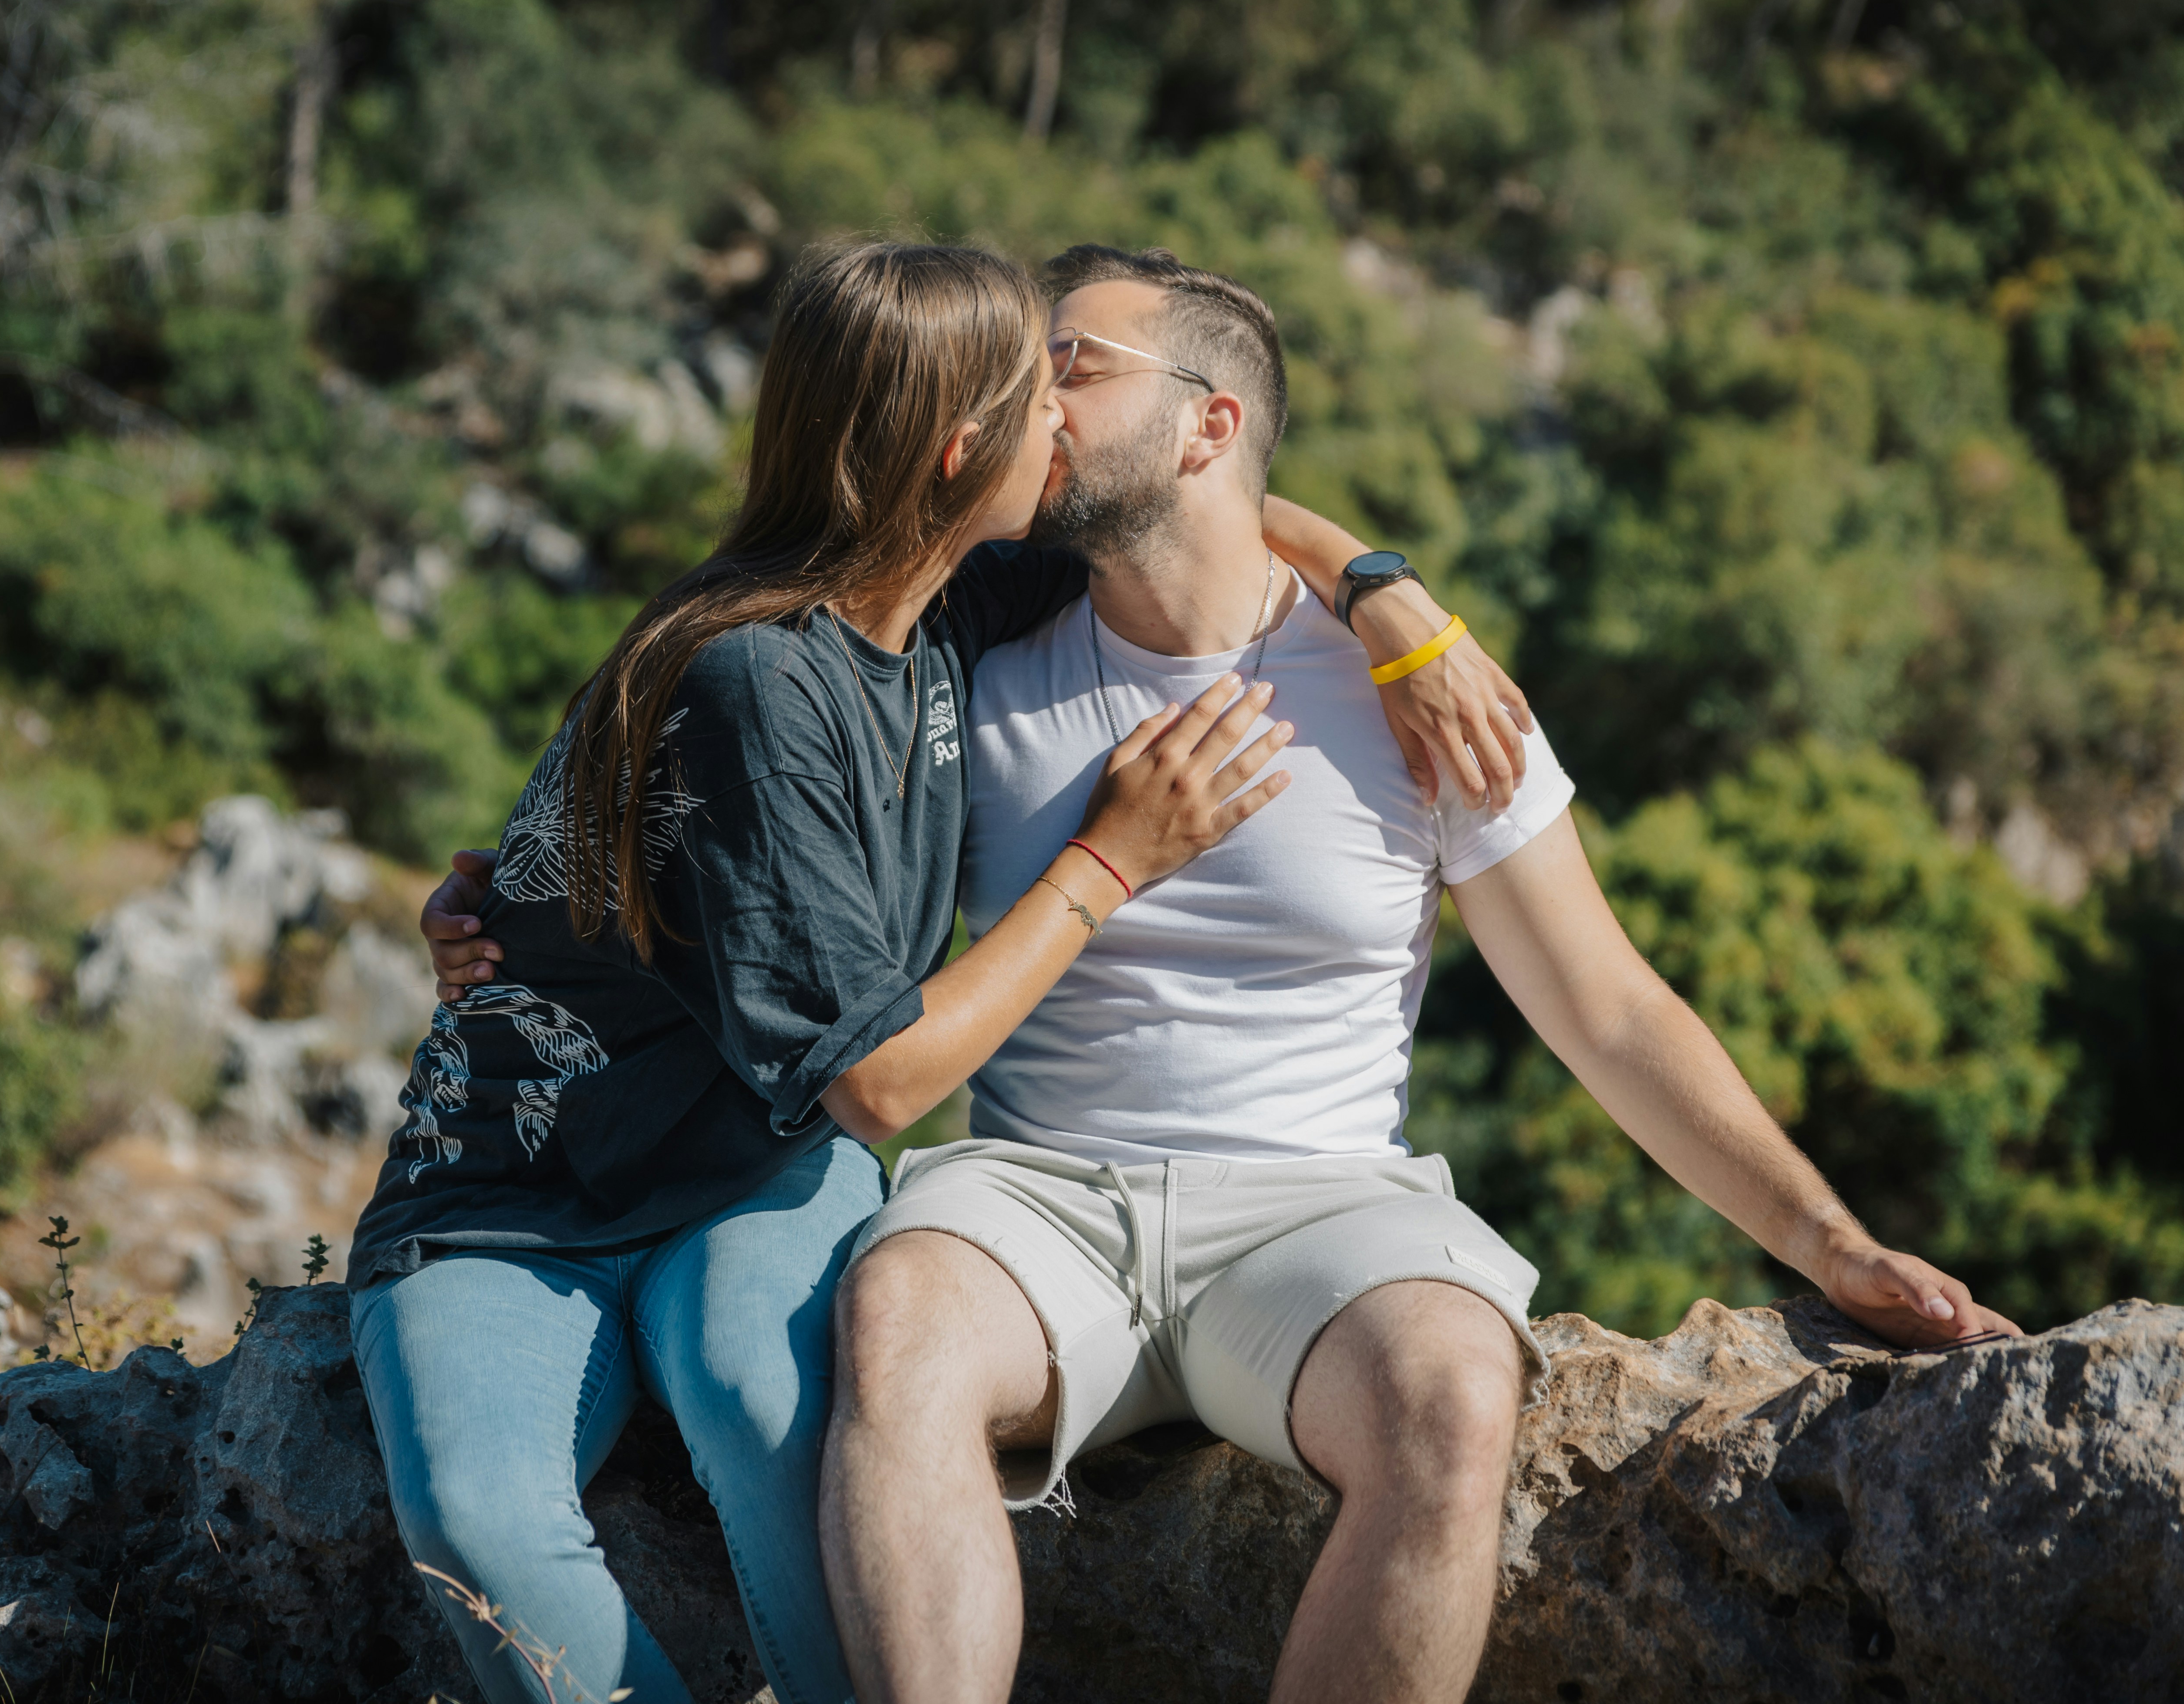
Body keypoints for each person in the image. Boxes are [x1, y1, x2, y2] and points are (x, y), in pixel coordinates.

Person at [799, 247, 2024, 1704]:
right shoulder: (968, 649)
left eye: (1074, 362)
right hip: (1040, 1197)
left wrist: (1833, 1247)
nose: (1027, 390)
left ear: (1210, 424)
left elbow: (1609, 1006)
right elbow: (760, 715)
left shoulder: (1421, 694)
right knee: (898, 1323)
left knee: (1454, 1396)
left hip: (1323, 1212)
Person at [348, 240, 1520, 1704]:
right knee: (478, 1522)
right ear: (965, 449)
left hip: (755, 1163)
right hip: (524, 1187)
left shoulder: (949, 600)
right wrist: (1108, 861)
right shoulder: (757, 674)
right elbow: (885, 1080)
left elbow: (1203, 493)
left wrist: (1380, 587)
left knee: (777, 1415)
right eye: (1052, 390)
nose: (1073, 427)